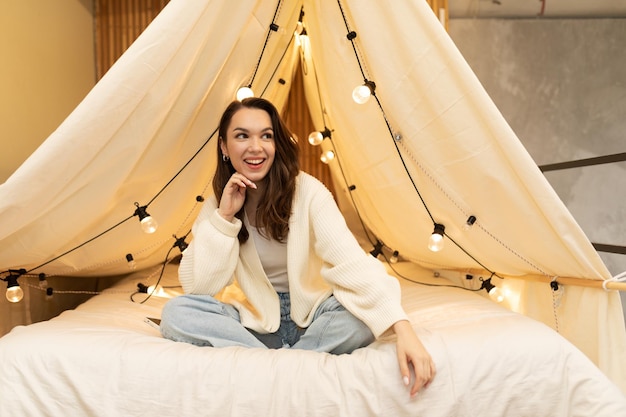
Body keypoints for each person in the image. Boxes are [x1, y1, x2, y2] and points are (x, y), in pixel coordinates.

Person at [160, 97, 436, 397]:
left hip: (316, 317)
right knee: (176, 313)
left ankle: (278, 368)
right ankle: (288, 365)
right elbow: (198, 286)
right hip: (258, 323)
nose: (256, 147)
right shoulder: (218, 204)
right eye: (242, 136)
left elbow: (352, 263)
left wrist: (403, 328)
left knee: (360, 319)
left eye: (266, 135)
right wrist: (225, 218)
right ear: (224, 147)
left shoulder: (308, 192)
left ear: (276, 143)